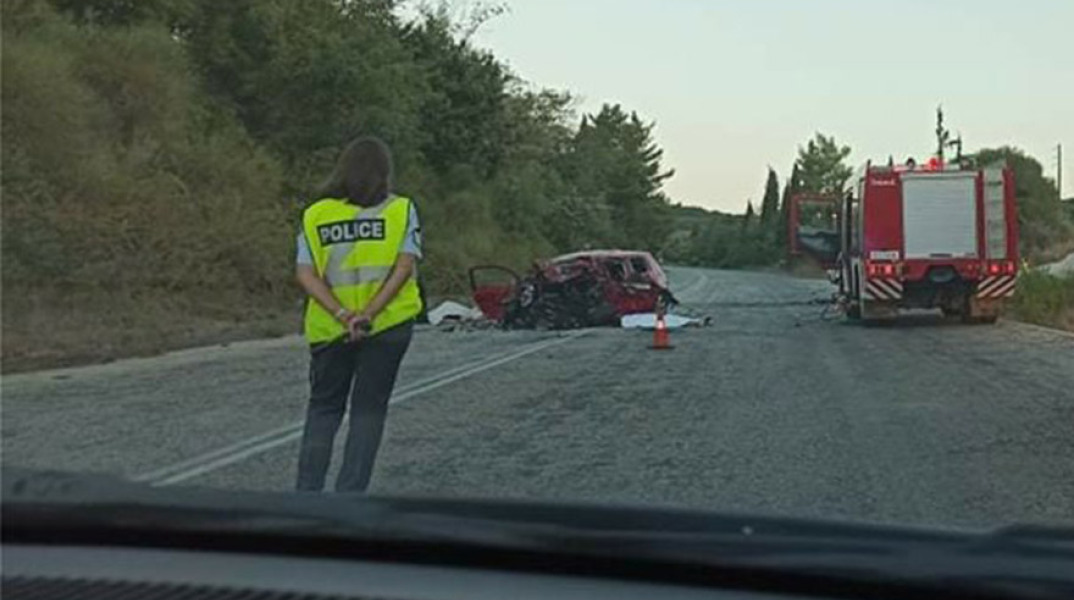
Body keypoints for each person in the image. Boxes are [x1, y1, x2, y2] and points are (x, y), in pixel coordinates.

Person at [294, 136, 423, 493]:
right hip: (387, 326)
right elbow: (403, 269)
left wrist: (341, 314)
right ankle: (350, 496)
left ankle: (306, 494)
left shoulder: (316, 214)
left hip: (329, 329)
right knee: (369, 410)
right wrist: (366, 315)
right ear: (385, 173)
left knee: (323, 409)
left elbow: (306, 274)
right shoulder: (401, 210)